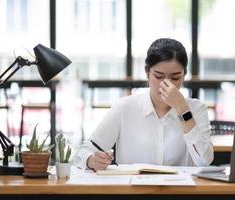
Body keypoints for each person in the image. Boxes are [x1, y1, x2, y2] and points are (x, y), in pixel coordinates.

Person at [73, 38, 214, 170]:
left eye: (175, 77)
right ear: (147, 72)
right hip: (133, 192)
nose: (167, 84)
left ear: (184, 75)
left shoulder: (196, 109)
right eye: (158, 76)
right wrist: (91, 160)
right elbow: (84, 151)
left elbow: (204, 161)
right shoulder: (124, 108)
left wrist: (183, 109)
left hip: (179, 193)